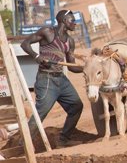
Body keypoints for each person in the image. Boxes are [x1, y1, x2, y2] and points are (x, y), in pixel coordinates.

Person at [20, 10, 84, 147]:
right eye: (72, 20)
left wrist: (87, 69)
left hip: (61, 79)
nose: (75, 23)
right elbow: (25, 44)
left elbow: (71, 66)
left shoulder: (70, 41)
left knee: (76, 106)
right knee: (40, 113)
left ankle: (63, 140)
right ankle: (22, 145)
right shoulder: (47, 32)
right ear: (63, 20)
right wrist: (37, 57)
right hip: (46, 79)